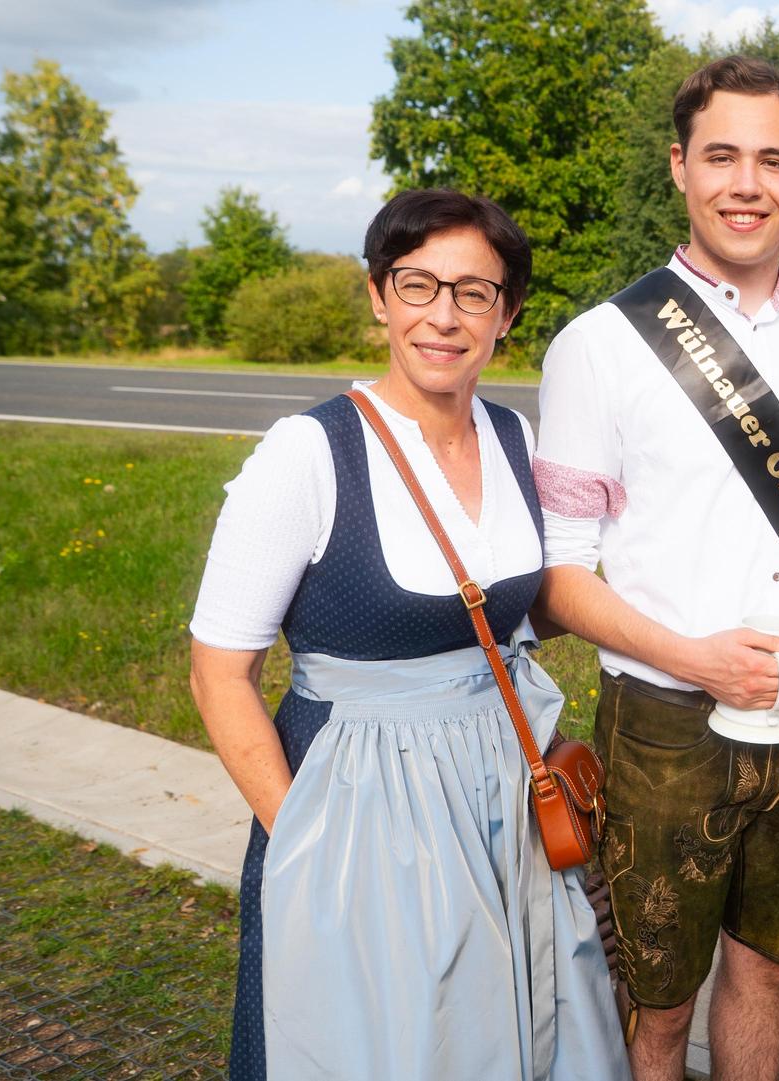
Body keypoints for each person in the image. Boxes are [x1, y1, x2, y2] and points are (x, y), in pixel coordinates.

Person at [188, 189, 628, 1080]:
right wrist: (305, 843)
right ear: (379, 294)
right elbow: (218, 673)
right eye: (418, 283)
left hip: (503, 789)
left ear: (506, 316)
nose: (444, 314)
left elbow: (521, 604)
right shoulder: (308, 453)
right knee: (385, 1045)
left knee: (535, 1023)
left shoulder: (512, 434)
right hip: (360, 807)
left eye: (475, 292)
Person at [530, 56, 779, 1081]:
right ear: (680, 167)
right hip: (666, 723)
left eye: (774, 160)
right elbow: (558, 576)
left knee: (771, 974)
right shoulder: (597, 346)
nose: (746, 183)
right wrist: (694, 655)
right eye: (721, 155)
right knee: (659, 1000)